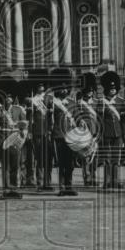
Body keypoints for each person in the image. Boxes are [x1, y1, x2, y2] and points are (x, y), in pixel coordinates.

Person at [0, 76, 25, 199]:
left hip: (15, 140)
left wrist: (22, 135)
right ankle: (6, 189)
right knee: (5, 167)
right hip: (3, 141)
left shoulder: (18, 110)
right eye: (6, 97)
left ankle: (14, 188)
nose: (8, 99)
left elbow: (24, 124)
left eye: (10, 97)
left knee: (15, 166)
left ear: (13, 98)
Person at [50, 67, 77, 196]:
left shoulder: (72, 102)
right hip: (59, 135)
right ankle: (62, 187)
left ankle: (69, 185)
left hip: (70, 135)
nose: (64, 90)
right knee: (61, 163)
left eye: (66, 87)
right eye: (61, 87)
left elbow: (76, 118)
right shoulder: (53, 103)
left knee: (70, 163)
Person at [97, 71, 125, 189]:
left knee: (116, 158)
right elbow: (99, 120)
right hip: (106, 133)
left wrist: (124, 135)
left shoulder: (120, 101)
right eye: (110, 88)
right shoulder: (102, 102)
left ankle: (116, 180)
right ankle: (107, 181)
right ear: (106, 89)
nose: (113, 90)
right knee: (107, 158)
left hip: (118, 133)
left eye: (114, 88)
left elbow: (123, 120)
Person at [26, 70, 53, 191]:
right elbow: (30, 118)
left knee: (48, 157)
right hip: (37, 131)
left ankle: (48, 182)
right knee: (39, 157)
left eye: (42, 86)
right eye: (39, 86)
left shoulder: (49, 99)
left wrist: (50, 129)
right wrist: (30, 131)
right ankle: (40, 181)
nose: (41, 88)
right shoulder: (33, 100)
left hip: (47, 131)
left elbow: (51, 116)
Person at [76, 73, 99, 187]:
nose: (90, 92)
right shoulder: (80, 103)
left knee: (94, 157)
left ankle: (94, 177)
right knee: (86, 157)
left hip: (95, 132)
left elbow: (99, 118)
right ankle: (87, 177)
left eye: (91, 90)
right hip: (85, 133)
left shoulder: (96, 102)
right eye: (88, 90)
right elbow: (76, 116)